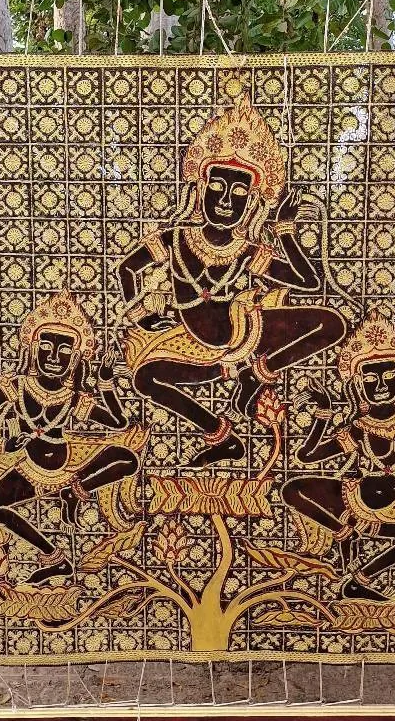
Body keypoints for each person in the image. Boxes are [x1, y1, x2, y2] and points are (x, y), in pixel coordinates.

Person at [118, 96, 347, 467]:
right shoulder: (175, 239)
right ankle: (222, 437)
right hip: (192, 344)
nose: (226, 200)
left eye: (239, 192)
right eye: (218, 187)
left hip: (245, 335)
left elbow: (308, 280)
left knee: (332, 323)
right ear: (200, 189)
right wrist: (142, 314)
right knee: (145, 380)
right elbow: (127, 269)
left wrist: (285, 230)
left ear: (252, 202)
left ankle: (254, 378)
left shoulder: (246, 250)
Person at [280, 314, 395, 601]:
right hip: (354, 499)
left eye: (389, 377)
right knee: (290, 489)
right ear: (358, 385)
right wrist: (323, 412)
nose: (380, 386)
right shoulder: (359, 428)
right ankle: (344, 532)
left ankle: (360, 579)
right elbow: (307, 455)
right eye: (370, 378)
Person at [0, 291, 145, 584]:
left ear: (75, 357)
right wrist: (1, 445)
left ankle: (75, 490)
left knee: (128, 458)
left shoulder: (73, 397)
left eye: (64, 351)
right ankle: (55, 559)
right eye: (47, 348)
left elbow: (118, 422)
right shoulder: (18, 385)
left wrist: (104, 382)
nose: (54, 357)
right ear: (33, 349)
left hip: (69, 461)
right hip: (31, 467)